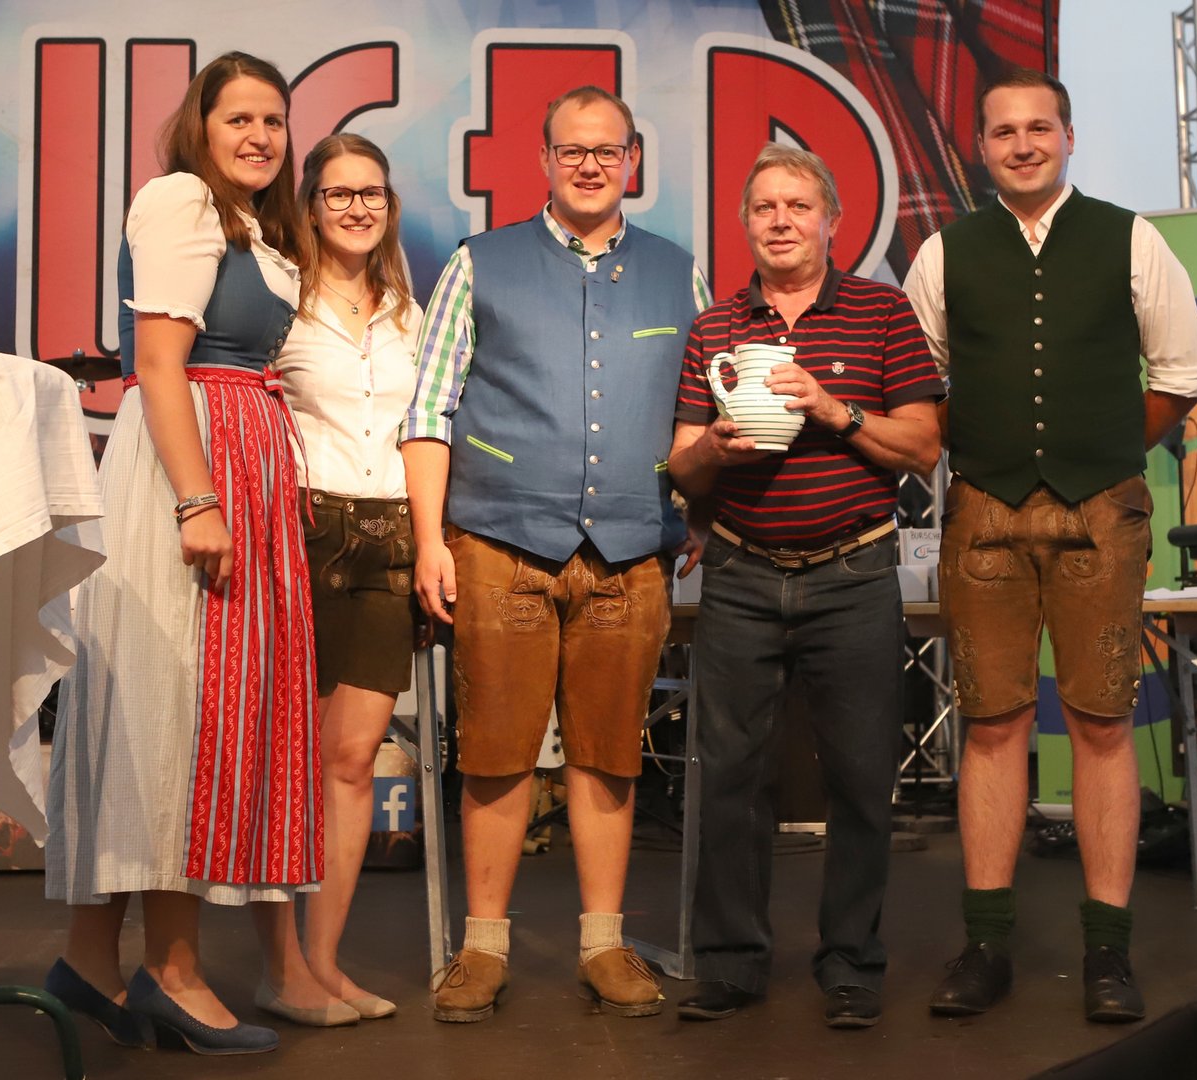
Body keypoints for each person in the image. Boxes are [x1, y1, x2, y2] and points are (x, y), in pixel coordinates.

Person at [902, 67, 1197, 1023]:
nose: (1023, 144)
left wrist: (1106, 455)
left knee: (1102, 725)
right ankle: (985, 946)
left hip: (1101, 513)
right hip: (982, 512)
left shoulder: (1132, 238)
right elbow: (920, 387)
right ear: (980, 148)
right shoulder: (944, 253)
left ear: (1069, 137)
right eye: (1004, 132)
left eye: (1040, 127)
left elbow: (1183, 372)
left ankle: (1107, 953)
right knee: (992, 723)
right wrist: (994, 452)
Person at [402, 85, 709, 1023]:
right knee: (495, 754)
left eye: (606, 150)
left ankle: (604, 945)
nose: (589, 165)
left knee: (610, 756)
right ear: (543, 160)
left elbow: (700, 409)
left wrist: (699, 510)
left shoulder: (678, 272)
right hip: (499, 542)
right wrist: (429, 540)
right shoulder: (479, 262)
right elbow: (428, 410)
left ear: (633, 161)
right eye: (571, 149)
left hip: (631, 549)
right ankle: (482, 950)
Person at [42, 51, 318, 1056]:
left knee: (178, 707)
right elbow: (159, 363)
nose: (258, 136)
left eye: (273, 121)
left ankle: (87, 964)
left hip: (239, 452)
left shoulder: (256, 229)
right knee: (178, 709)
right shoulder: (181, 202)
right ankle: (174, 971)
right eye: (238, 118)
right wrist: (198, 499)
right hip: (190, 459)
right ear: (199, 127)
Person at [666, 144, 943, 1029]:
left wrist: (832, 409)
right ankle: (730, 964)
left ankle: (852, 964)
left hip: (853, 572)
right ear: (744, 223)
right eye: (764, 207)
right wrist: (714, 450)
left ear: (832, 221)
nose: (780, 221)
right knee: (730, 778)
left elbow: (923, 446)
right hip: (740, 572)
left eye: (798, 206)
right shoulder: (715, 327)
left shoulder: (882, 312)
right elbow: (682, 467)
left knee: (860, 778)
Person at [250, 133, 424, 1027]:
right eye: (338, 193)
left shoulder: (410, 313)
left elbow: (427, 433)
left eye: (372, 193)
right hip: (302, 530)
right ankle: (280, 969)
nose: (358, 207)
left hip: (390, 535)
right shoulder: (280, 296)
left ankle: (322, 963)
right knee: (291, 762)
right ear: (311, 205)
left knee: (353, 762)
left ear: (389, 206)